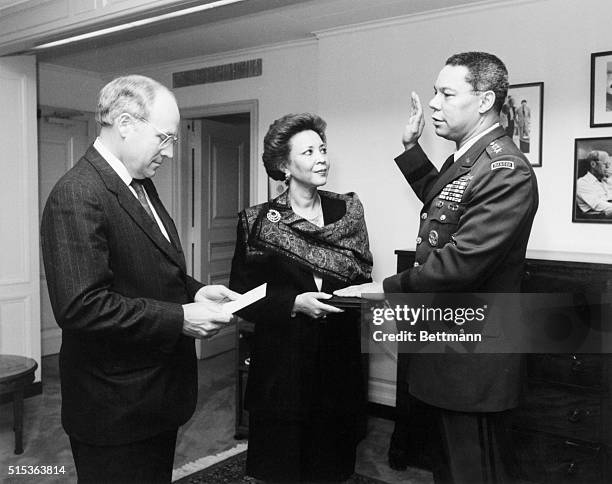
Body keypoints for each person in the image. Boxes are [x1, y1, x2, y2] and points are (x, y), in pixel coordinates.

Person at [336, 52, 539, 483]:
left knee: (473, 471)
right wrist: (411, 149)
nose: (433, 103)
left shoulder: (506, 170)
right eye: (434, 92)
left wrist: (383, 289)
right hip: (450, 346)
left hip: (475, 358)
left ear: (485, 101)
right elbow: (443, 199)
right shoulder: (469, 159)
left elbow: (460, 263)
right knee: (450, 468)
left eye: (446, 93)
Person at [40, 75, 239, 483]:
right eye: (164, 137)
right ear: (126, 124)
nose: (169, 151)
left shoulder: (140, 184)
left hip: (154, 398)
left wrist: (198, 291)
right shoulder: (77, 194)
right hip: (114, 407)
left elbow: (151, 267)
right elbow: (82, 307)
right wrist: (180, 317)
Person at [229, 113, 373, 483]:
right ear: (283, 165)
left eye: (322, 149)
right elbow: (243, 295)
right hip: (283, 365)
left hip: (338, 362)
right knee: (282, 466)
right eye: (308, 152)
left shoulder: (349, 212)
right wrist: (294, 303)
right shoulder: (260, 223)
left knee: (332, 464)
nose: (321, 158)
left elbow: (362, 276)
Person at [576, 150, 612, 218]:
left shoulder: (604, 180)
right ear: (593, 164)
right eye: (605, 164)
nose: (608, 167)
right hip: (598, 218)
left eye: (609, 164)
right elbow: (598, 205)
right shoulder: (582, 183)